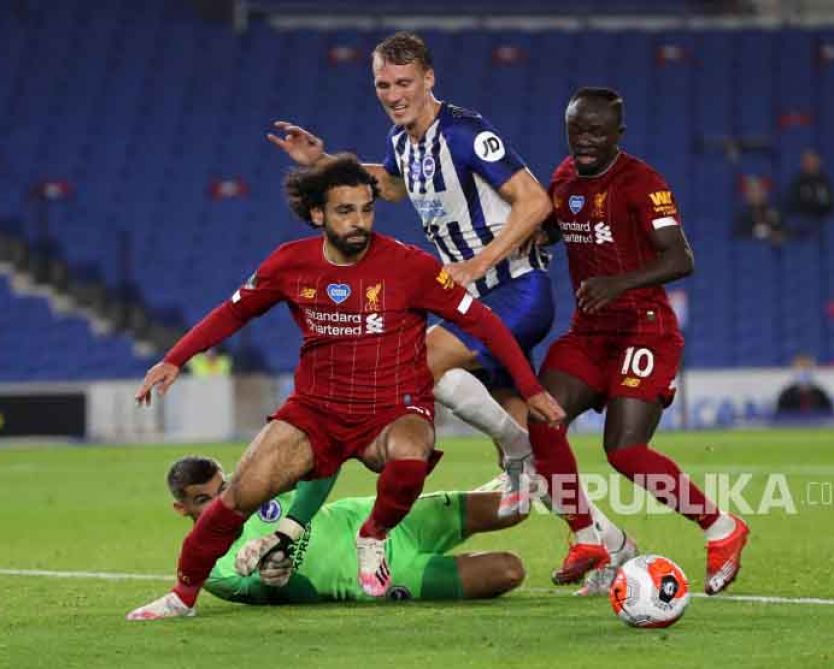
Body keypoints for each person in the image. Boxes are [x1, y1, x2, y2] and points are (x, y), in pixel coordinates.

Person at [126, 155, 564, 620]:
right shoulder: (289, 264)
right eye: (345, 211)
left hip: (393, 405)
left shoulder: (410, 266)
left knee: (411, 452)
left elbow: (483, 322)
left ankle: (372, 537)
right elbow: (234, 312)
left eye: (366, 209)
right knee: (237, 499)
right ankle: (182, 595)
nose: (359, 222)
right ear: (318, 214)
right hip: (316, 411)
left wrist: (530, 388)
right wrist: (176, 358)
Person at [267, 31, 624, 582]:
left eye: (405, 82)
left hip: (514, 291)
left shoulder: (465, 134)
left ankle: (495, 465)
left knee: (413, 365)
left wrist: (478, 265)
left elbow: (535, 201)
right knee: (528, 430)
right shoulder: (404, 142)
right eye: (383, 84)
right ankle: (607, 541)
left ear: (429, 79)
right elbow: (389, 187)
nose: (393, 93)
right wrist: (324, 161)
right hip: (475, 300)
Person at [534, 87, 750, 596]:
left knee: (625, 450)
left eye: (596, 132)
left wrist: (618, 282)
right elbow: (557, 228)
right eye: (576, 130)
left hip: (643, 325)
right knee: (542, 419)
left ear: (618, 135)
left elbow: (681, 258)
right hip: (591, 331)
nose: (585, 141)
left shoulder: (642, 182)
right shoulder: (564, 177)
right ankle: (588, 537)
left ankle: (721, 529)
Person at [163, 455, 530, 604]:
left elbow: (319, 468)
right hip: (385, 575)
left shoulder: (253, 490)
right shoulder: (209, 568)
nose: (218, 505)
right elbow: (292, 597)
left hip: (381, 519)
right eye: (202, 500)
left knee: (519, 505)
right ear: (181, 509)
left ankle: (582, 524)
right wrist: (273, 576)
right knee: (510, 570)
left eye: (221, 490)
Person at [734, 175, 787, 246]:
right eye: (752, 190)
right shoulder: (742, 215)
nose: (756, 194)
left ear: (765, 193)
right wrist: (759, 232)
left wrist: (777, 234)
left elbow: (784, 231)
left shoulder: (774, 213)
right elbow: (740, 235)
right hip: (750, 252)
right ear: (746, 195)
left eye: (759, 189)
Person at [785, 149, 834, 221]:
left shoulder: (824, 182)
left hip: (822, 218)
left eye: (812, 161)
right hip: (802, 219)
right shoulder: (797, 182)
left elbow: (829, 204)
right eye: (806, 161)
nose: (809, 164)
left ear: (818, 162)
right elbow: (792, 204)